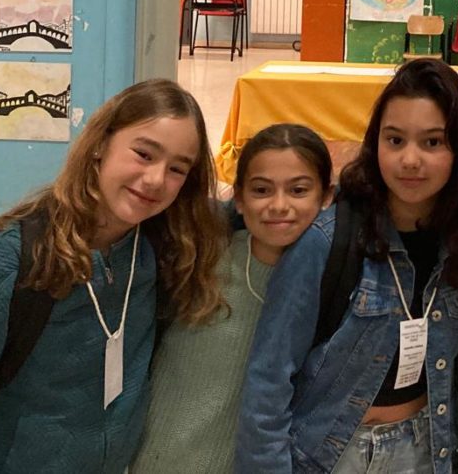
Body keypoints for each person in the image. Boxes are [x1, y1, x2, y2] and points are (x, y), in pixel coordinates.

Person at [0, 79, 226, 474]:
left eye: (177, 169)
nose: (155, 179)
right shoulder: (9, 257)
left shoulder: (157, 243)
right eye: (143, 153)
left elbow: (249, 209)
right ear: (101, 144)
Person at [237, 58, 458, 474]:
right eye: (395, 140)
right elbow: (269, 379)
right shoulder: (330, 239)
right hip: (333, 454)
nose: (409, 160)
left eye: (432, 142)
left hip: (429, 447)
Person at [132, 124, 333, 474]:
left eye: (298, 190)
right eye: (261, 190)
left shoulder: (333, 279)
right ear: (239, 198)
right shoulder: (201, 260)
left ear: (326, 197)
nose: (279, 205)